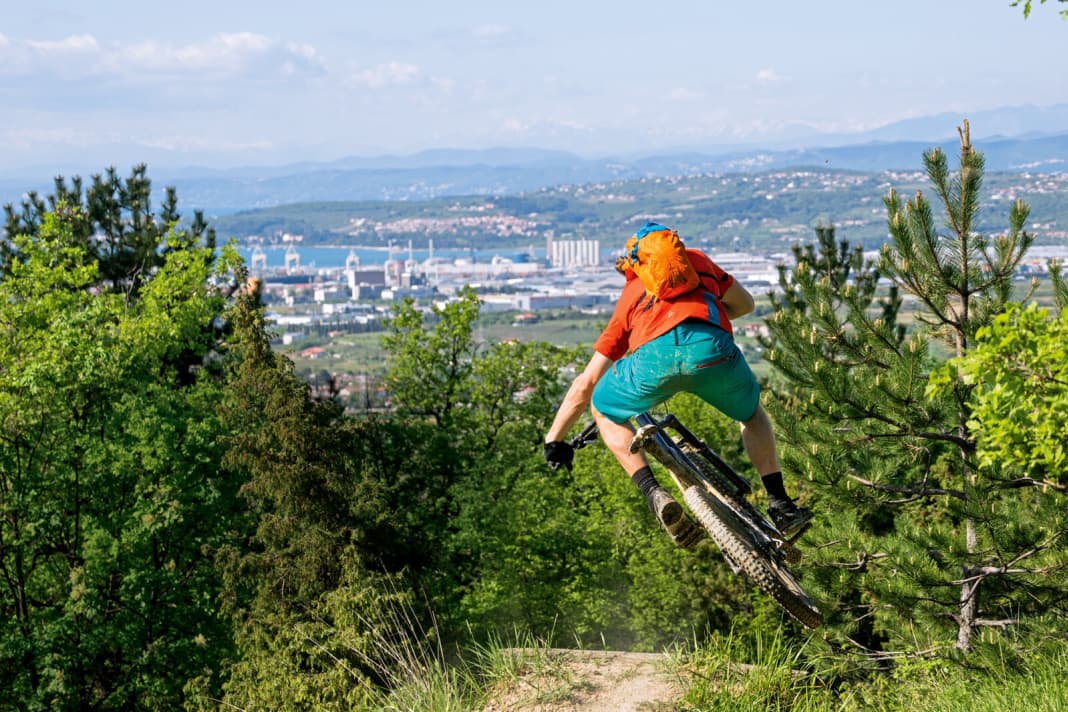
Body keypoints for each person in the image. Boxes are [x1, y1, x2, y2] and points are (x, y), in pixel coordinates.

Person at [542, 223, 812, 547]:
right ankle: (780, 504)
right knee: (751, 414)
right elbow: (746, 305)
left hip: (653, 364)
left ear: (636, 265)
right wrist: (707, 311)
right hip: (713, 351)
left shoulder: (630, 294)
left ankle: (654, 493)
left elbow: (585, 384)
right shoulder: (700, 262)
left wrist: (554, 440)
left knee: (603, 407)